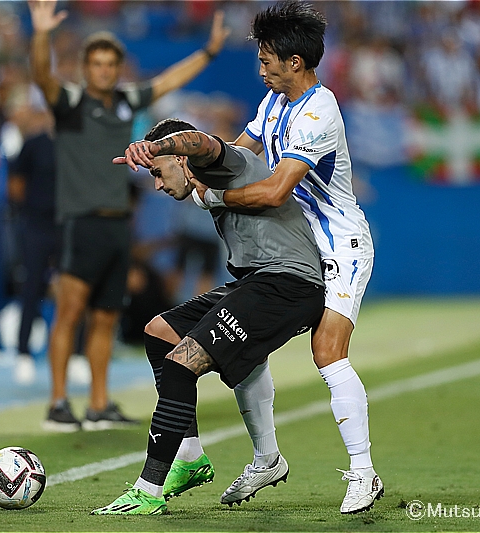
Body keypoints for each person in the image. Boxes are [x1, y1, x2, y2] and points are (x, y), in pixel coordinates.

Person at [191, 1, 381, 514]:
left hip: (339, 243)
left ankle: (362, 472)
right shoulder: (274, 102)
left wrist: (213, 197)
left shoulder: (319, 111)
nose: (260, 66)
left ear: (296, 62)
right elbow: (238, 153)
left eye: (267, 57)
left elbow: (274, 190)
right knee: (246, 340)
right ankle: (267, 457)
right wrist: (190, 169)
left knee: (328, 350)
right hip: (292, 247)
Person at [92, 119, 325, 515]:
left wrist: (154, 146)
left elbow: (201, 142)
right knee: (160, 332)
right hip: (257, 282)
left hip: (289, 284)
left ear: (180, 158)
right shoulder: (202, 187)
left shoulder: (220, 163)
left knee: (182, 365)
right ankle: (189, 455)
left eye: (158, 171)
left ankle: (148, 488)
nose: (158, 185)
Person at [28, 0, 230, 431]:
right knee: (70, 312)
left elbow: (166, 82)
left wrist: (209, 53)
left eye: (109, 64)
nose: (102, 70)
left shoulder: (126, 101)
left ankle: (99, 403)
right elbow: (43, 76)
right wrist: (42, 33)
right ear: (85, 67)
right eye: (96, 63)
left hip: (119, 224)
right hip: (81, 222)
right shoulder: (70, 102)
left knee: (106, 316)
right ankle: (58, 402)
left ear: (118, 68)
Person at [7, 104, 58, 385]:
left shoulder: (75, 146)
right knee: (30, 288)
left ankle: (74, 354)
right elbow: (15, 180)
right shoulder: (33, 144)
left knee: (72, 290)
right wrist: (24, 209)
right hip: (36, 226)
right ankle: (23, 353)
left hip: (65, 226)